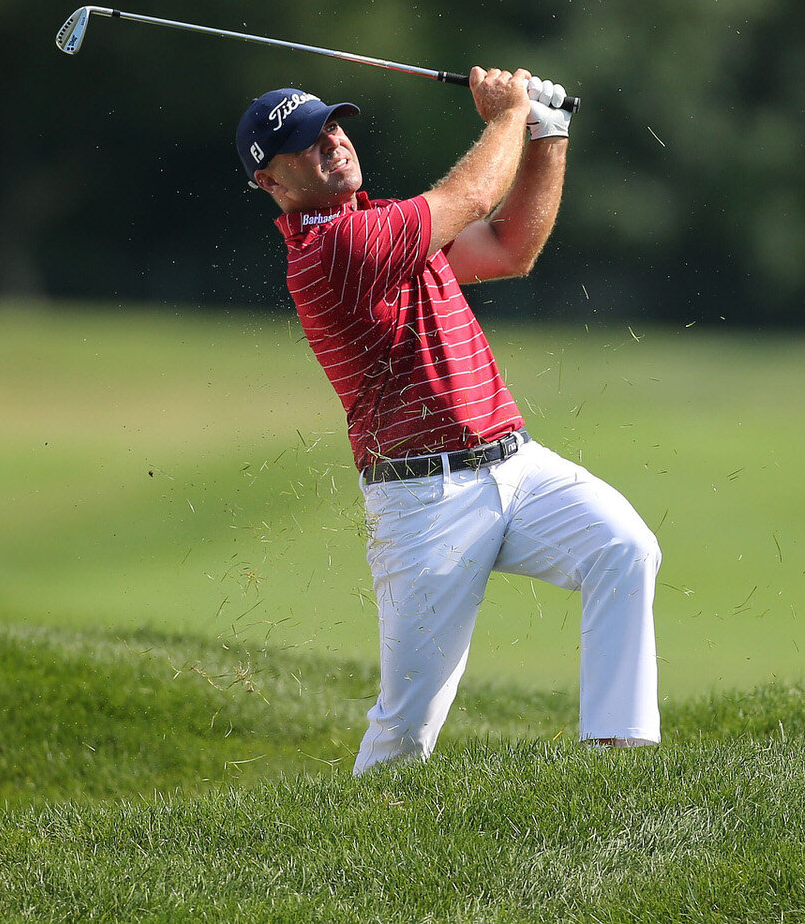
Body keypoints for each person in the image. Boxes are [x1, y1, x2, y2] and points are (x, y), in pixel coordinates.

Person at [235, 69, 661, 773]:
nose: (332, 143)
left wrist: (546, 135)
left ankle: (617, 764)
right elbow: (471, 195)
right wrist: (509, 114)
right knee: (406, 732)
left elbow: (510, 246)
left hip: (516, 466)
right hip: (421, 504)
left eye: (332, 126)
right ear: (273, 184)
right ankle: (357, 849)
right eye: (306, 143)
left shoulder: (385, 226)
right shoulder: (333, 252)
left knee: (624, 546)